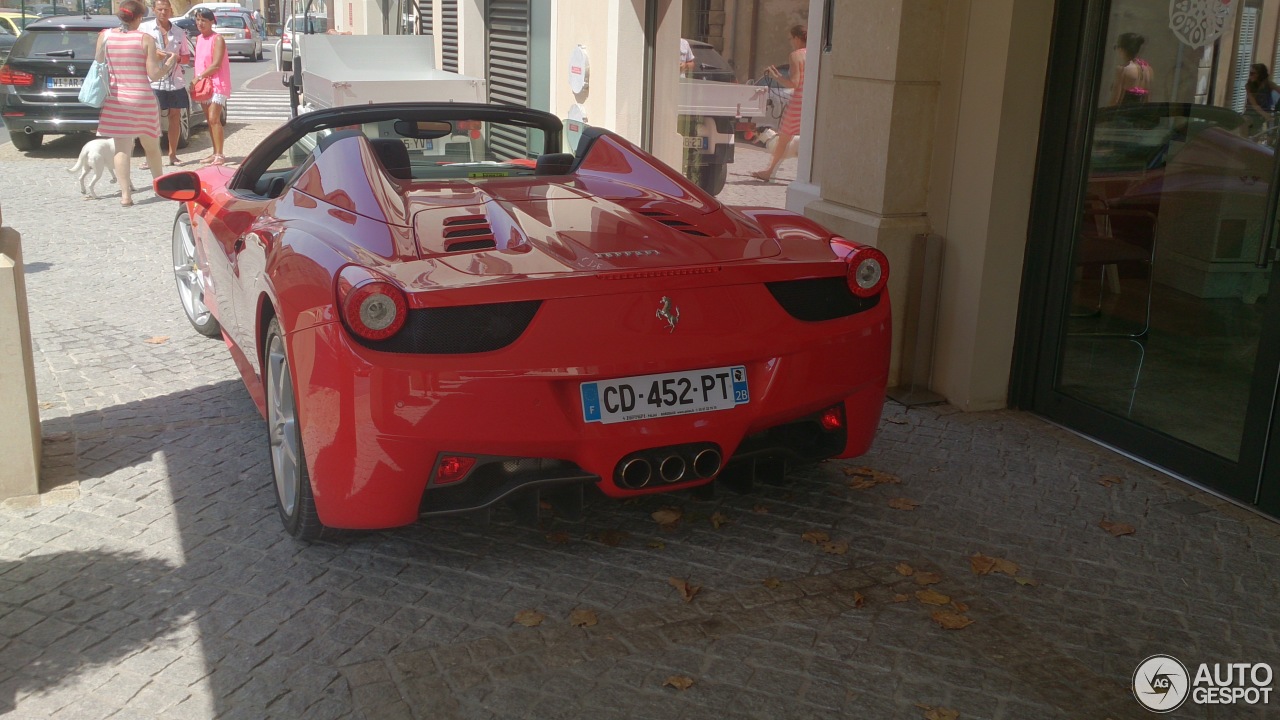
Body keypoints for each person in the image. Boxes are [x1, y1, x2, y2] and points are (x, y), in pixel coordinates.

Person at [94, 0, 179, 207]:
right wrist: (168, 63)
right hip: (142, 98)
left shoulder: (105, 36)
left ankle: (125, 195)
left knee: (122, 148)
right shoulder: (145, 39)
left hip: (116, 99)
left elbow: (99, 63)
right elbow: (153, 74)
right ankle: (160, 186)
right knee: (151, 146)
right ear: (140, 18)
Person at [139, 0, 192, 168]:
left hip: (174, 81)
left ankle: (173, 155)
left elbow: (186, 57)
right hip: (153, 81)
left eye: (166, 9)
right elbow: (138, 52)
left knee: (175, 117)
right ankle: (150, 157)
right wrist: (154, 54)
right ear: (154, 10)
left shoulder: (178, 32)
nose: (163, 12)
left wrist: (176, 58)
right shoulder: (144, 29)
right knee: (152, 119)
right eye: (160, 9)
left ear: (171, 10)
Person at [752, 24, 806, 182]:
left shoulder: (796, 55)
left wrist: (777, 77)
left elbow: (794, 83)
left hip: (799, 101)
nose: (791, 42)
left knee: (784, 138)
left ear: (796, 38)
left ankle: (769, 172)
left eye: (791, 38)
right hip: (813, 99)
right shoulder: (815, 53)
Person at [192, 8, 230, 165]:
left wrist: (198, 78)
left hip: (217, 83)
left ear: (211, 22)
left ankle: (220, 154)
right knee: (208, 119)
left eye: (204, 20)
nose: (200, 23)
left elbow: (216, 64)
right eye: (198, 20)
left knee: (214, 118)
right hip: (204, 85)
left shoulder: (218, 39)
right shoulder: (199, 39)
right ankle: (214, 152)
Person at [1109, 32, 1152, 106]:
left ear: (1122, 49)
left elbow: (1116, 99)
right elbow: (1147, 98)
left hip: (1124, 114)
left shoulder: (1122, 70)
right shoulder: (1147, 70)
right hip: (1139, 115)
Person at [1245, 63, 1278, 138]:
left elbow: (1278, 89)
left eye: (1253, 73)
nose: (1250, 75)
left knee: (1270, 135)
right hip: (1252, 114)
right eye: (1250, 73)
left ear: (1260, 75)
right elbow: (1254, 104)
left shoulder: (1268, 84)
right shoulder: (1248, 86)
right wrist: (1265, 115)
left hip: (1265, 115)